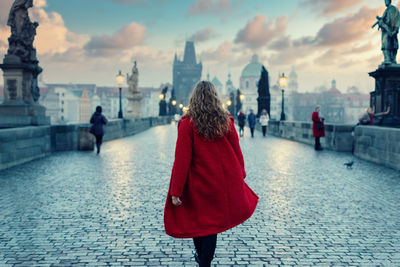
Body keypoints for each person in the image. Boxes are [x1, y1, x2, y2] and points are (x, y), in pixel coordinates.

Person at [164, 81, 258, 267]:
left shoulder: (187, 124)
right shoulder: (225, 121)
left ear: (194, 99)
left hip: (198, 183)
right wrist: (240, 175)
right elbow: (237, 152)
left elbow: (182, 160)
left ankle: (203, 260)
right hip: (220, 182)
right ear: (216, 98)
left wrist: (176, 190)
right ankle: (204, 261)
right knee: (211, 224)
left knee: (199, 222)